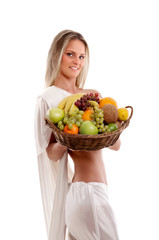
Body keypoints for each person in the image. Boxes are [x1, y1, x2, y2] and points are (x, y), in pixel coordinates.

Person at [34, 29, 121, 240]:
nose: (77, 61)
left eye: (81, 56)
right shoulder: (49, 99)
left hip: (95, 192)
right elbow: (51, 154)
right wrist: (67, 137)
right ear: (57, 55)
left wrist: (111, 125)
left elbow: (116, 145)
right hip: (87, 193)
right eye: (70, 54)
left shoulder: (92, 96)